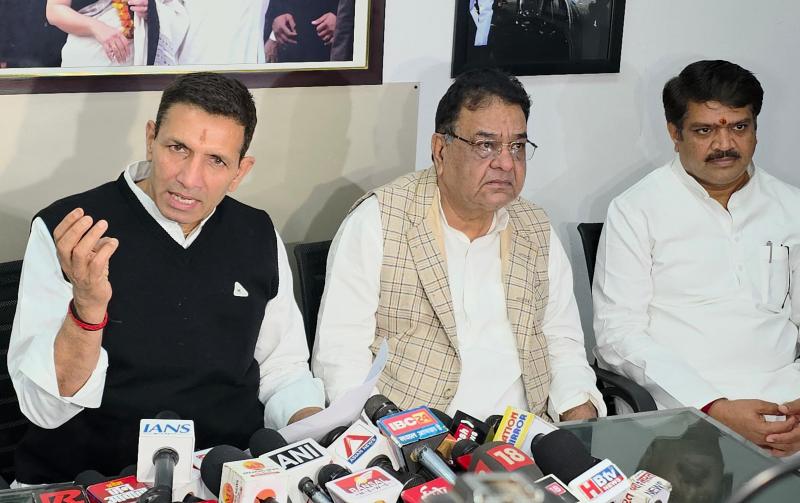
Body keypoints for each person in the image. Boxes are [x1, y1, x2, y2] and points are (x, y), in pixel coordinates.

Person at [7, 72, 324, 483]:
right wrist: (87, 307)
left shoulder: (258, 232)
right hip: (89, 480)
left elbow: (282, 369)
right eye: (178, 148)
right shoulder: (71, 231)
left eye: (216, 160)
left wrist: (318, 432)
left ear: (240, 171)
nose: (189, 179)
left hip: (225, 476)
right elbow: (44, 410)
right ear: (150, 139)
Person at [312, 68, 604, 422]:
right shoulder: (379, 220)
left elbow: (561, 343)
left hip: (523, 433)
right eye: (486, 145)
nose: (506, 163)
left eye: (517, 146)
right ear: (440, 150)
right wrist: (387, 432)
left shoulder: (536, 228)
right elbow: (340, 355)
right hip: (413, 436)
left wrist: (579, 411)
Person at [593, 60, 800, 456]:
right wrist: (713, 407)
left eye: (739, 127)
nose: (724, 145)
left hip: (786, 406)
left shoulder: (791, 207)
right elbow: (617, 335)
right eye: (705, 130)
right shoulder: (636, 210)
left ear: (756, 128)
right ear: (675, 133)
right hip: (682, 412)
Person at [46, 0, 148, 67]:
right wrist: (97, 27)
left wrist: (150, 7)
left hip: (139, 60)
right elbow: (54, 10)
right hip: (88, 59)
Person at [264, 0, 338, 63]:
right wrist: (273, 35)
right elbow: (274, 10)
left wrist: (340, 20)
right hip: (289, 52)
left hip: (330, 50)